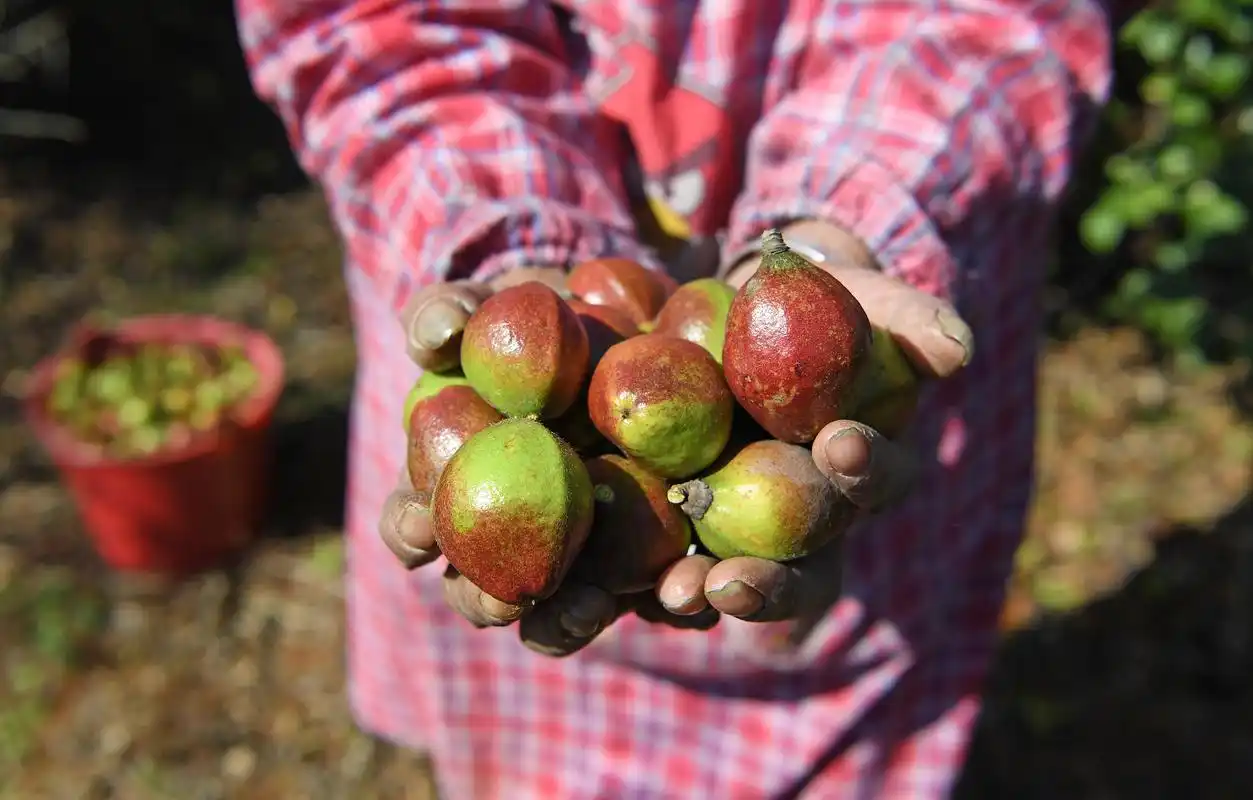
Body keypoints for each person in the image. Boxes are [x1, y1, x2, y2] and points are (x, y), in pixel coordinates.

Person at [235, 0, 1113, 796]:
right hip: (478, 272)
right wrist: (505, 240)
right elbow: (371, 25)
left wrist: (844, 225)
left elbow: (988, 20)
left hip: (872, 398)